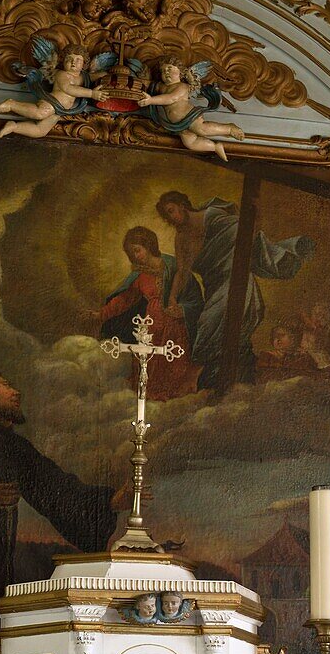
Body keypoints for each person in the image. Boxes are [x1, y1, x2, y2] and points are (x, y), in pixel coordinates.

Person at [0, 370, 121, 654]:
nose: (16, 392)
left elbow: (54, 487)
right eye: (6, 385)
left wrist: (109, 501)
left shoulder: (13, 447)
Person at [156, 190, 315, 389]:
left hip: (235, 278)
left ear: (182, 205)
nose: (171, 218)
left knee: (212, 322)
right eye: (167, 216)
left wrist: (255, 216)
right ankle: (216, 380)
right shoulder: (181, 238)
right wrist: (172, 298)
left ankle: (290, 251)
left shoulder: (212, 215)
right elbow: (182, 271)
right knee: (211, 326)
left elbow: (245, 232)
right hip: (214, 285)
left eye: (172, 211)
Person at [96, 226, 203, 400]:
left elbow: (195, 300)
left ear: (149, 246)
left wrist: (182, 310)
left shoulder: (175, 268)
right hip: (151, 327)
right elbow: (124, 300)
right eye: (132, 253)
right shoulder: (140, 275)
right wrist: (100, 314)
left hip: (174, 329)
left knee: (173, 368)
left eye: (138, 250)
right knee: (148, 370)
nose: (136, 256)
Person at [139, 56, 244, 160]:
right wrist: (143, 80)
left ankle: (229, 128)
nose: (166, 72)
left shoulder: (182, 87)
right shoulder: (160, 86)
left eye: (170, 69)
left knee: (202, 130)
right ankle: (215, 147)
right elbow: (149, 85)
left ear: (180, 72)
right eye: (163, 70)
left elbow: (172, 98)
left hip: (189, 117)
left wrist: (151, 100)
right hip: (179, 125)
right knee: (190, 143)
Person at [0, 45, 108, 138]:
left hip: (59, 111)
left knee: (40, 131)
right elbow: (68, 89)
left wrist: (108, 74)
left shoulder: (83, 77)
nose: (73, 62)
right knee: (40, 113)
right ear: (63, 62)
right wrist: (92, 93)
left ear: (84, 64)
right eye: (69, 59)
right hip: (52, 102)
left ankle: (14, 127)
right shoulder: (62, 74)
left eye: (78, 60)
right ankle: (11, 104)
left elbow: (95, 76)